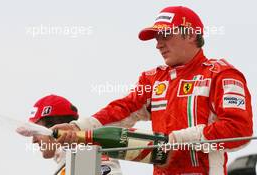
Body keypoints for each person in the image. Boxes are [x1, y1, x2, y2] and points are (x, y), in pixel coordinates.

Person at [47, 6, 253, 175]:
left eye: (164, 34)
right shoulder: (154, 79)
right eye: (156, 37)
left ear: (190, 34)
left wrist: (177, 139)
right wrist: (78, 127)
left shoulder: (222, 74)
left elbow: (239, 130)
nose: (158, 44)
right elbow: (122, 109)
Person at [29, 94, 123, 175]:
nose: (34, 140)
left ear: (54, 127)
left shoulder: (86, 152)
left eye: (36, 131)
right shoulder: (68, 160)